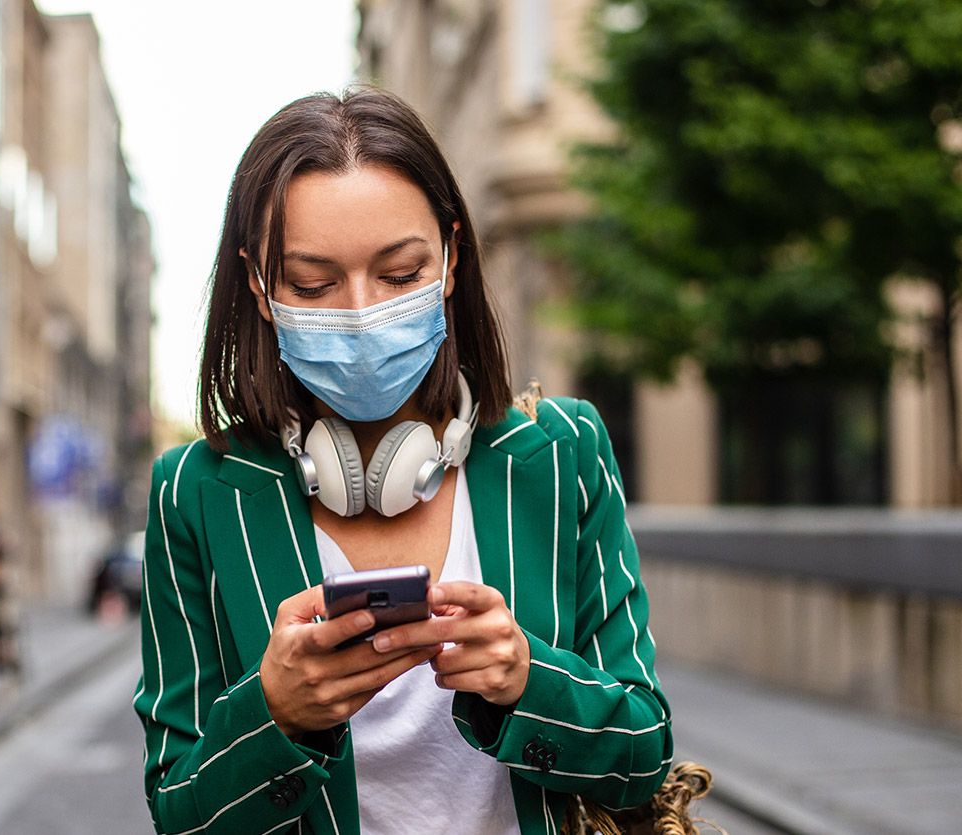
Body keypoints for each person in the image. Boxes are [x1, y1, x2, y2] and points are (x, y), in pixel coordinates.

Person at [134, 87, 671, 835]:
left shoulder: (561, 454)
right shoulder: (193, 494)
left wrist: (527, 678)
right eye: (313, 283)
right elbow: (180, 814)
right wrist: (275, 715)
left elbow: (644, 751)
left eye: (398, 273)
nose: (359, 312)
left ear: (450, 259)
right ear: (259, 284)